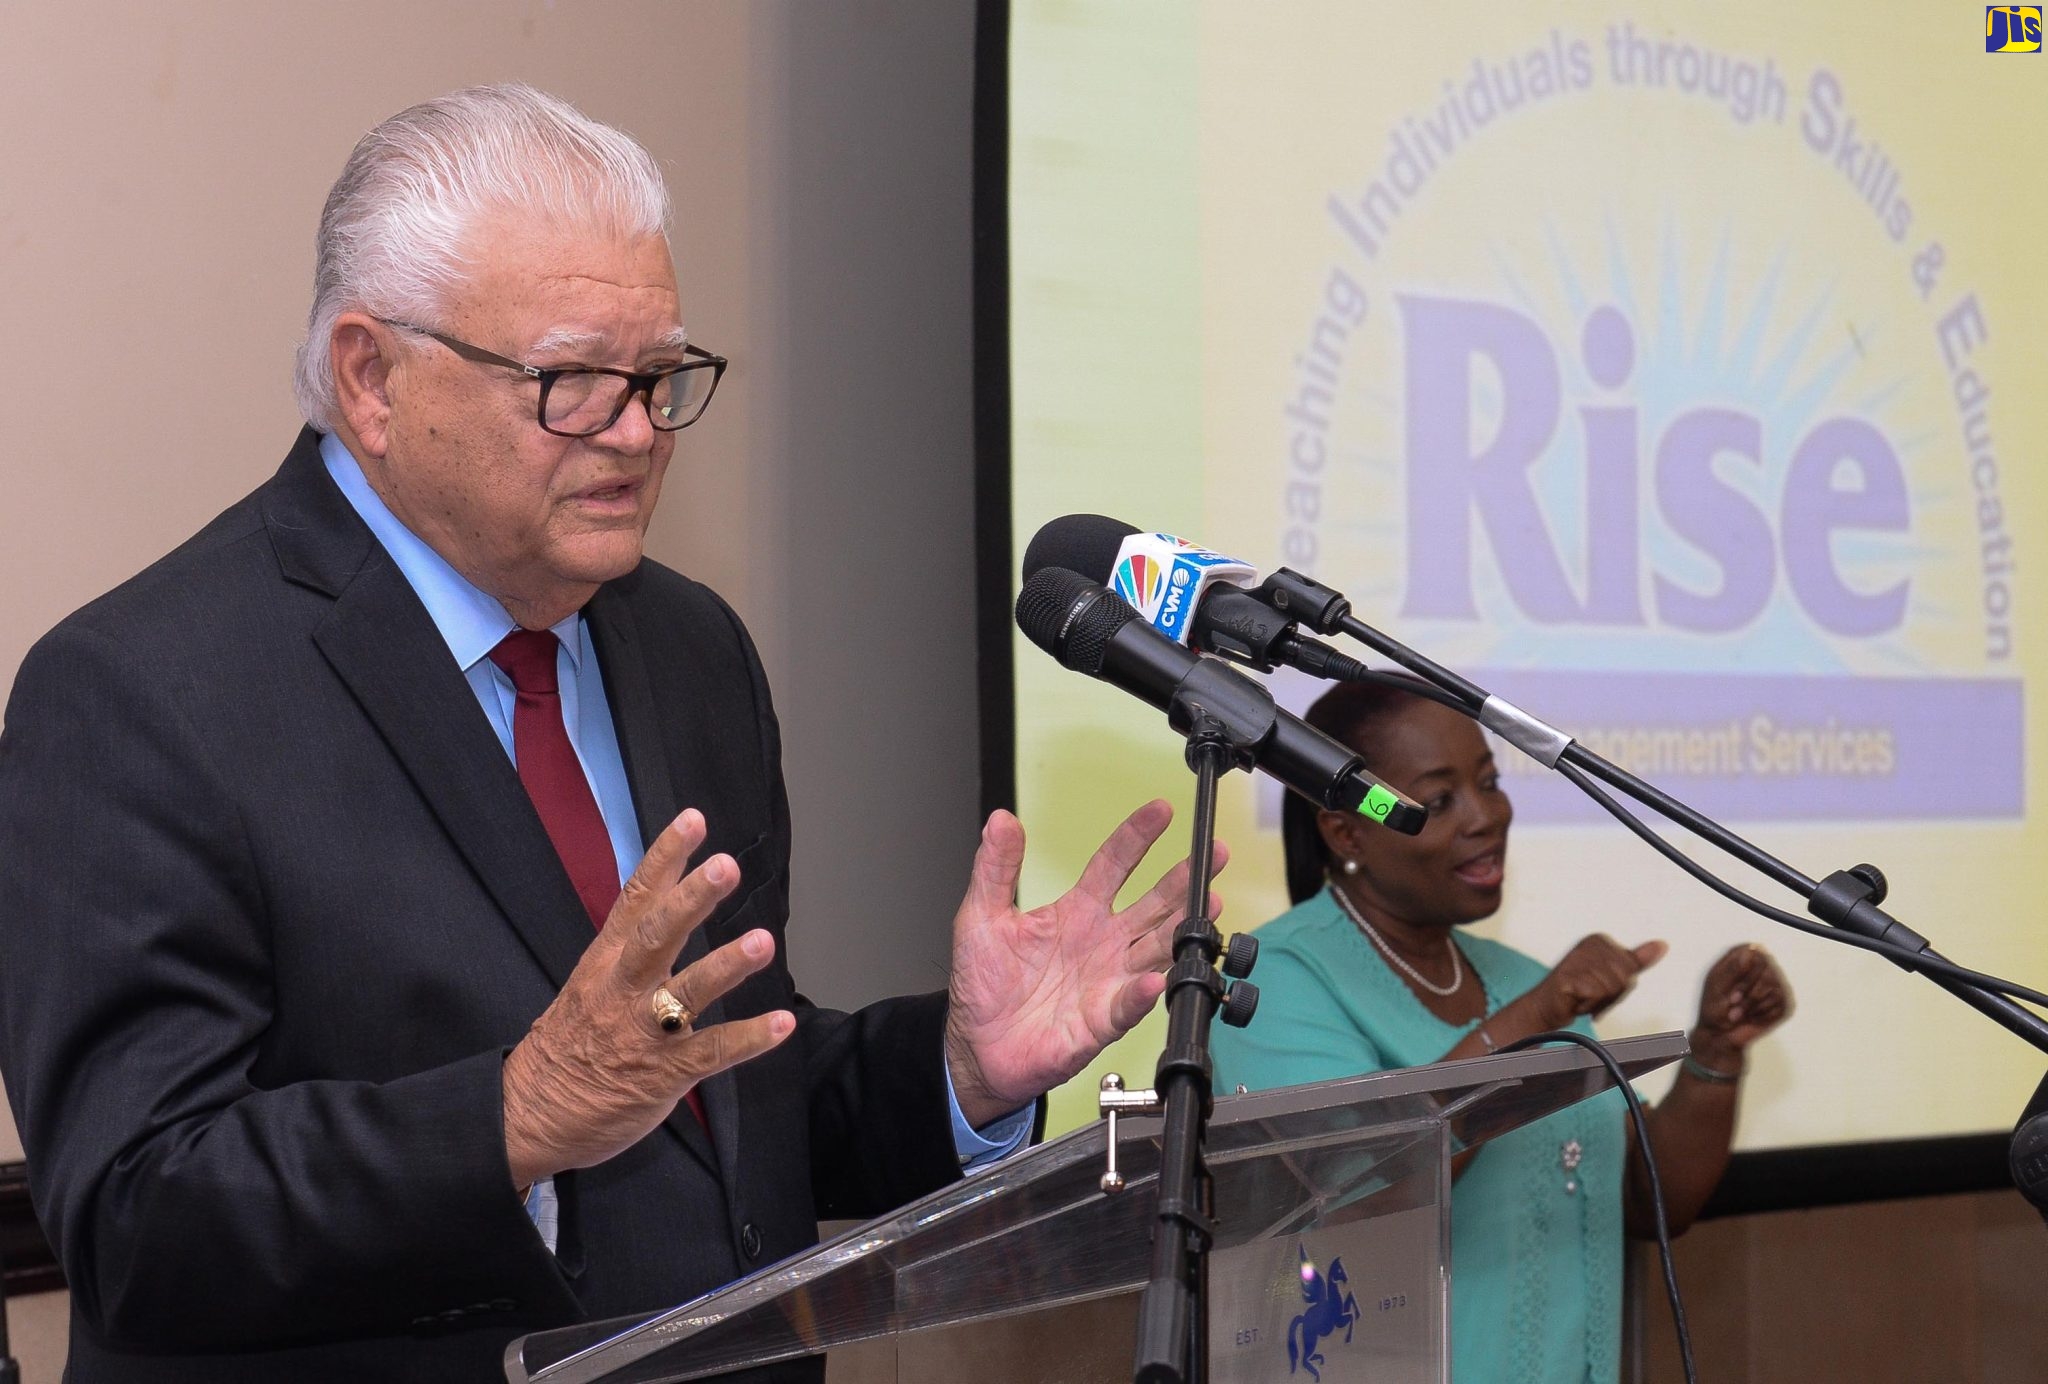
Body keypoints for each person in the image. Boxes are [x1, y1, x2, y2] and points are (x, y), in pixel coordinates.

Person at [0, 86, 1217, 1384]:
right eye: (572, 382)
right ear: (372, 377)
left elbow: (720, 1108)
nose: (636, 432)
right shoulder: (141, 692)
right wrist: (511, 1121)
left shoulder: (688, 649)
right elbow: (138, 1213)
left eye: (657, 378)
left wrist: (957, 1071)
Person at [1210, 679, 1792, 1384]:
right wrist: (1537, 1018)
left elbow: (1648, 1197)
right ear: (1345, 829)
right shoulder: (1277, 982)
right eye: (1441, 798)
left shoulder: (1518, 978)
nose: (1487, 816)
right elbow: (1361, 1201)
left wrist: (1714, 1054)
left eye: (1490, 782)